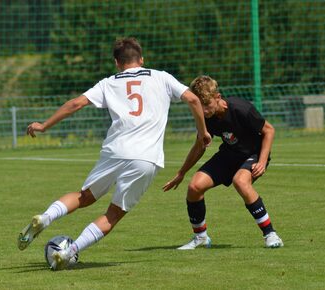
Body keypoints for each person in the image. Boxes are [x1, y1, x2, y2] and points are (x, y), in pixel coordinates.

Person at [17, 37, 212, 270]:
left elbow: (75, 104)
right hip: (145, 157)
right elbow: (192, 98)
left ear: (117, 63)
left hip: (115, 150)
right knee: (113, 214)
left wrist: (44, 125)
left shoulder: (108, 83)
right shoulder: (161, 77)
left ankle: (46, 217)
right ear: (141, 59)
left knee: (84, 197)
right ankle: (70, 251)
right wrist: (202, 132)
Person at [163, 75, 283, 249]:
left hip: (254, 154)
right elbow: (200, 146)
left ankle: (270, 234)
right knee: (194, 187)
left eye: (207, 105)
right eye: (200, 106)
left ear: (218, 97)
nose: (204, 111)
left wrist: (263, 161)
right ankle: (201, 237)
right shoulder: (204, 117)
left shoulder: (241, 109)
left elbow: (269, 130)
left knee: (240, 181)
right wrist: (181, 173)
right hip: (230, 154)